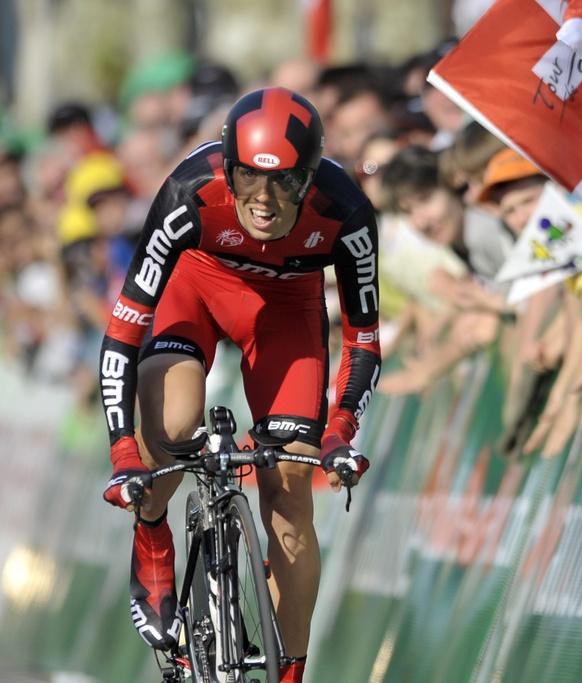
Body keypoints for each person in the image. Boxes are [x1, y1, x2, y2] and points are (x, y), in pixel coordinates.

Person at [99, 87, 380, 683]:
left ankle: (289, 670)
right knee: (173, 426)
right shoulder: (187, 191)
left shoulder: (347, 209)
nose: (265, 199)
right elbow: (122, 334)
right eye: (249, 179)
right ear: (228, 169)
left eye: (284, 183)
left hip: (285, 310)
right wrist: (124, 454)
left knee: (291, 487)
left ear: (310, 177)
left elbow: (362, 339)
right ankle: (153, 535)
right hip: (194, 287)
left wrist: (340, 431)